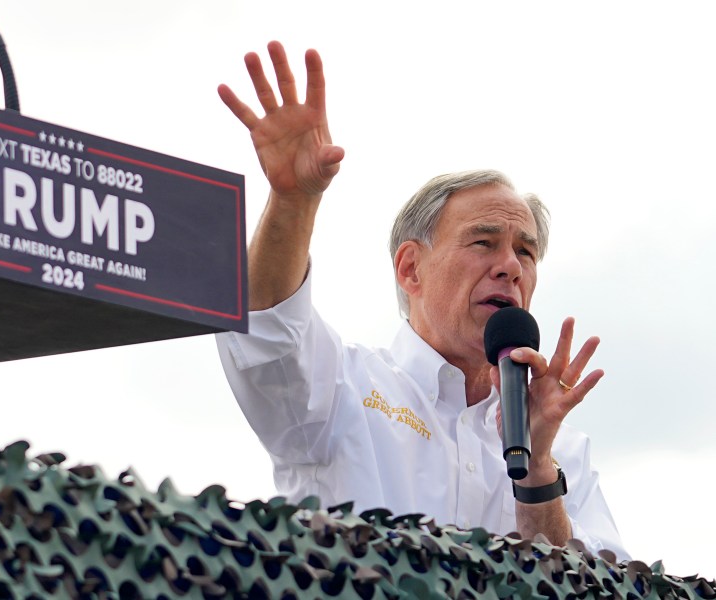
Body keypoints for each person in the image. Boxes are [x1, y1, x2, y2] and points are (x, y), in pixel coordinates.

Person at [214, 41, 627, 559]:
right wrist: (293, 201)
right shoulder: (344, 389)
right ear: (411, 267)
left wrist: (538, 467)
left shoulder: (563, 448)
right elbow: (267, 330)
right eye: (484, 242)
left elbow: (601, 589)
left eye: (526, 251)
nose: (511, 266)